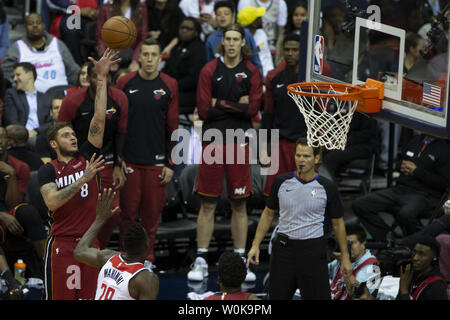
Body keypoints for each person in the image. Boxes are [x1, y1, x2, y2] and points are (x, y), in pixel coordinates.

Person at [37, 48, 120, 300]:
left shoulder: (87, 156)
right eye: (66, 135)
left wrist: (102, 77)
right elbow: (52, 201)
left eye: (73, 134)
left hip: (89, 243)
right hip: (61, 245)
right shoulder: (47, 170)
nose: (73, 137)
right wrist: (83, 179)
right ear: (53, 144)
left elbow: (99, 117)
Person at [187, 23, 262, 283]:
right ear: (222, 42)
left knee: (239, 203)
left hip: (239, 141)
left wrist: (219, 103)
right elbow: (204, 111)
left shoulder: (252, 71)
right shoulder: (209, 70)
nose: (230, 43)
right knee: (207, 203)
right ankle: (201, 258)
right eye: (227, 39)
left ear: (243, 42)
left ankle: (241, 258)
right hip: (213, 141)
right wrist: (235, 106)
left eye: (235, 39)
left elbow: (253, 110)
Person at [247, 137, 353, 300]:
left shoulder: (327, 187)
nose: (301, 160)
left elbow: (338, 224)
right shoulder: (281, 182)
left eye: (306, 156)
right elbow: (268, 214)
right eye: (298, 155)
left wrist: (345, 256)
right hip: (284, 250)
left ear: (317, 158)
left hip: (313, 251)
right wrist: (255, 245)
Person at [115, 38, 179, 265]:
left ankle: (147, 259)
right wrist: (117, 159)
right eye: (146, 54)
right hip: (129, 161)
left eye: (154, 55)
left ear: (160, 57)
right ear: (139, 57)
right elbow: (116, 125)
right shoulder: (124, 82)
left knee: (151, 219)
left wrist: (171, 165)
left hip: (157, 163)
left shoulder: (170, 84)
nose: (150, 59)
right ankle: (126, 258)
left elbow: (173, 128)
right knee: (128, 217)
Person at [57, 60, 128, 250]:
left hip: (107, 162)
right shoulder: (72, 101)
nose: (101, 80)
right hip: (79, 162)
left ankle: (96, 249)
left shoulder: (119, 98)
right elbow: (59, 131)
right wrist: (66, 165)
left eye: (105, 77)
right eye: (97, 77)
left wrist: (117, 165)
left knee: (113, 212)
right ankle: (79, 250)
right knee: (82, 211)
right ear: (88, 79)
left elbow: (121, 133)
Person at [352, 134, 450, 240]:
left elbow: (444, 183)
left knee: (406, 214)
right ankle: (388, 239)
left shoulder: (445, 148)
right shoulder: (416, 140)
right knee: (360, 204)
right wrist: (401, 166)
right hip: (400, 189)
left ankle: (412, 243)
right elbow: (399, 161)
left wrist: (417, 172)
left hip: (424, 195)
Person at [73, 188, 159, 300]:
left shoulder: (107, 258)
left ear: (124, 244)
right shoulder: (146, 279)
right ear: (146, 245)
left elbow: (79, 252)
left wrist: (99, 219)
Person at [260, 33, 307, 198]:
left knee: (301, 197)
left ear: (302, 51)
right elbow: (268, 114)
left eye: (295, 50)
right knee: (274, 197)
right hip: (279, 144)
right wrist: (264, 148)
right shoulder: (274, 78)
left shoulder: (311, 80)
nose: (290, 53)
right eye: (287, 49)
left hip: (304, 145)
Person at [0, 126, 47, 276]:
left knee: (29, 212)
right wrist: (1, 215)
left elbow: (13, 204)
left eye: (2, 137)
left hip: (9, 211)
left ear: (8, 141)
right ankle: (9, 280)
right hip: (2, 215)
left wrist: (12, 175)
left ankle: (48, 267)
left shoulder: (20, 167)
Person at [1, 13, 80, 93]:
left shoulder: (57, 44)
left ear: (44, 25)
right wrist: (20, 90)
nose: (35, 25)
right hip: (30, 99)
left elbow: (74, 70)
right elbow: (6, 76)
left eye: (38, 23)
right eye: (31, 23)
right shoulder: (17, 48)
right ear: (25, 27)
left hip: (61, 96)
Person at [162, 17, 206, 116]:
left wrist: (171, 86)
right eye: (182, 28)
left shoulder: (199, 50)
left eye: (188, 29)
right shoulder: (177, 47)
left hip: (189, 93)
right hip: (172, 88)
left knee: (159, 99)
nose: (184, 31)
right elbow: (166, 69)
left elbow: (193, 79)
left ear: (196, 32)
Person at [319, 111, 378, 184]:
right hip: (346, 143)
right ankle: (320, 182)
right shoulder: (344, 106)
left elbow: (367, 134)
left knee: (331, 157)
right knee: (321, 151)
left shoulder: (365, 110)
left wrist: (341, 143)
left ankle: (329, 188)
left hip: (364, 145)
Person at [205, 0, 263, 74]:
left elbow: (255, 59)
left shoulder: (245, 33)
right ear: (215, 18)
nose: (222, 16)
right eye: (219, 14)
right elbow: (210, 67)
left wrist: (261, 81)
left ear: (233, 17)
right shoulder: (211, 40)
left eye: (226, 14)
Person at [3, 62, 53, 143]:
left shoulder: (47, 98)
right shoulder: (11, 94)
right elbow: (11, 120)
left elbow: (52, 121)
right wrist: (25, 133)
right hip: (20, 138)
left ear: (30, 74)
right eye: (14, 76)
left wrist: (36, 131)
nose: (15, 79)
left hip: (42, 136)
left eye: (18, 75)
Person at [328, 223, 381, 300]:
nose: (346, 248)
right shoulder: (343, 258)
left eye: (351, 243)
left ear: (363, 244)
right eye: (344, 244)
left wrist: (343, 261)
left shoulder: (372, 267)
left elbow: (356, 294)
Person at [96, 0, 148, 72]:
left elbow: (143, 37)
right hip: (111, 52)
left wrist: (135, 60)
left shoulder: (141, 8)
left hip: (133, 53)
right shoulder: (106, 8)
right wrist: (108, 59)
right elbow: (100, 37)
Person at [397, 235, 448, 300]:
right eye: (414, 252)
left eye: (421, 254)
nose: (415, 258)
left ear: (434, 257)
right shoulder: (411, 276)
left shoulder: (436, 286)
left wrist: (404, 291)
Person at [237, 6, 274, 79]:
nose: (262, 20)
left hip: (269, 74)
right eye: (259, 18)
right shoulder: (243, 39)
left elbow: (266, 56)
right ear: (253, 23)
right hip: (255, 77)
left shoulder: (261, 33)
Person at [59, 0, 100, 66]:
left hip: (98, 13)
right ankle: (77, 68)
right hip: (71, 14)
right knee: (71, 30)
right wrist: (77, 9)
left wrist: (100, 10)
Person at [274, 0, 307, 66]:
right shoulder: (283, 36)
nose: (299, 18)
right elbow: (278, 62)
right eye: (296, 15)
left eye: (303, 15)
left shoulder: (314, 35)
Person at [35, 96, 61, 164]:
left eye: (63, 107)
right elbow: (47, 165)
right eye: (56, 108)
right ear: (51, 113)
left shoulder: (78, 130)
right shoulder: (43, 137)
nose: (60, 110)